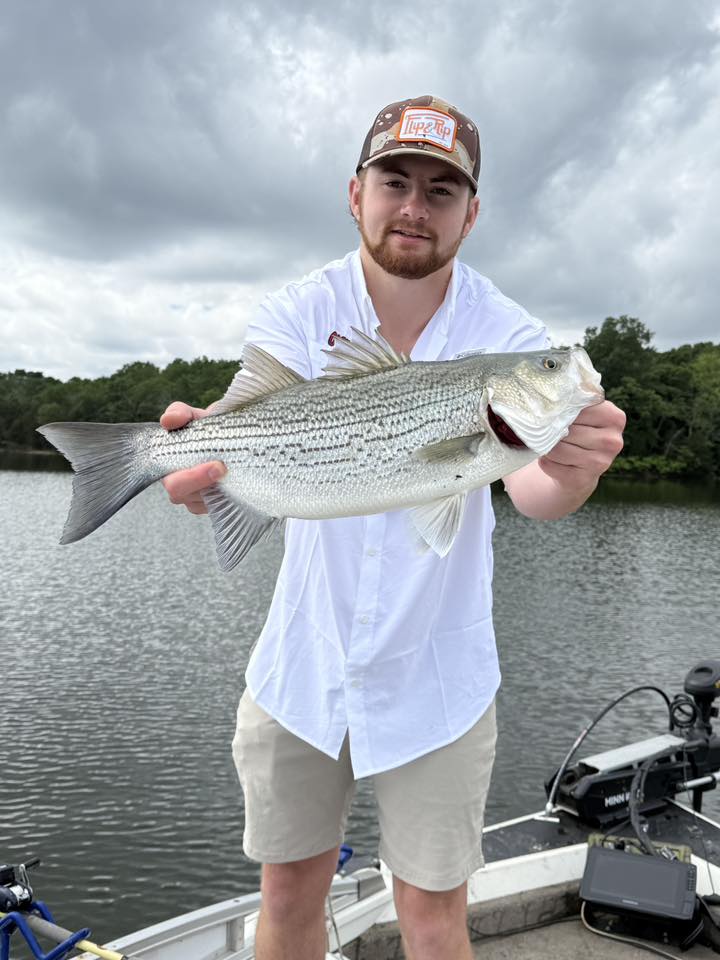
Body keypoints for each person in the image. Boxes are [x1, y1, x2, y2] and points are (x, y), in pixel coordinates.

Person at [160, 95, 625, 960]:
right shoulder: (301, 310)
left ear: (471, 213)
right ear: (356, 192)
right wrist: (199, 470)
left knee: (433, 913)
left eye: (442, 191)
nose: (415, 206)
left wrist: (570, 467)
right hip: (302, 659)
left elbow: (532, 492)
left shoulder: (510, 338)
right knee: (287, 896)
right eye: (395, 181)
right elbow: (238, 429)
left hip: (438, 675)